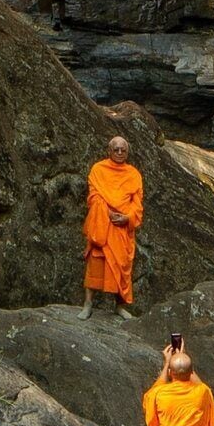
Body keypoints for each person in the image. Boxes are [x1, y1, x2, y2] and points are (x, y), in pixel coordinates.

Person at [83, 134, 144, 314]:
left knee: (122, 267)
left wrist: (127, 217)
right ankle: (87, 304)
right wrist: (108, 213)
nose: (119, 152)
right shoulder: (98, 169)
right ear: (109, 151)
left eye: (122, 150)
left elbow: (137, 203)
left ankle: (120, 306)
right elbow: (94, 196)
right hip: (103, 225)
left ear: (127, 152)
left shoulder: (133, 174)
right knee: (95, 263)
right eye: (115, 149)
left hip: (122, 228)